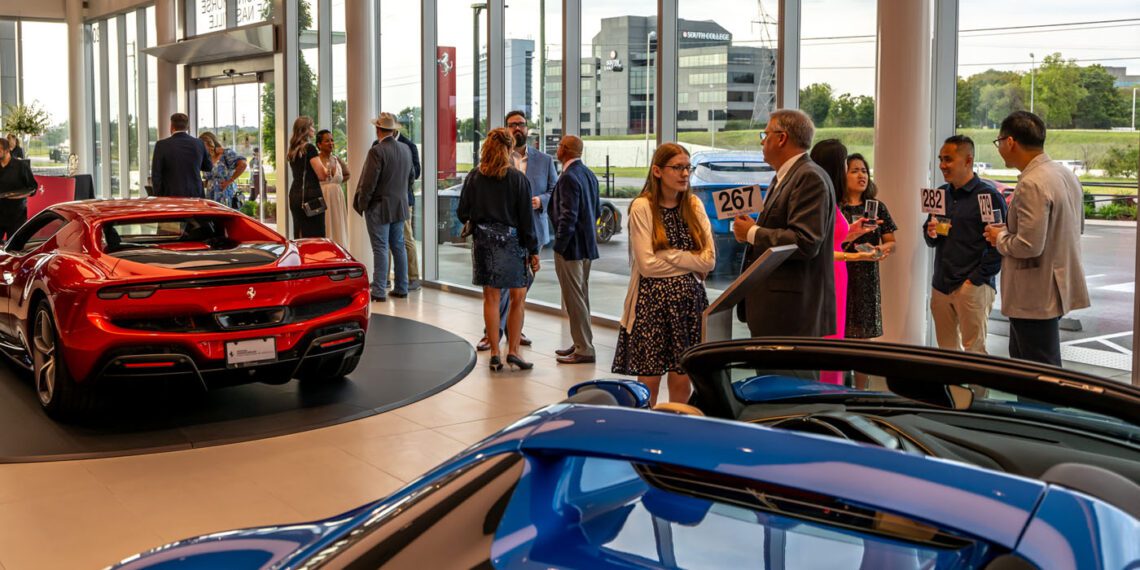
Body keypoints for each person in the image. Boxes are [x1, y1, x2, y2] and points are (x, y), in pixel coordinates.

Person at [984, 111, 1089, 366]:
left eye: (999, 142)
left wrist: (999, 237)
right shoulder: (1065, 174)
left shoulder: (1032, 182)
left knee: (1035, 373)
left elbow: (1028, 246)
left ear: (1010, 142)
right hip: (1056, 286)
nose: (1000, 148)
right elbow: (1079, 227)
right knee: (1042, 366)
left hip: (1033, 294)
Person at [614, 143, 715, 406]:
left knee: (682, 377)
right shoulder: (642, 207)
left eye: (687, 167)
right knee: (649, 383)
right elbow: (647, 265)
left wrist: (668, 254)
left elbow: (709, 261)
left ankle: (677, 428)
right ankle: (646, 432)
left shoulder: (693, 204)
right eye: (678, 167)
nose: (684, 174)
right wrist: (689, 261)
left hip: (689, 304)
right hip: (651, 305)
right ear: (658, 171)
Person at [732, 109, 835, 338]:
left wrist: (753, 233)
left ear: (781, 138)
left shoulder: (809, 177)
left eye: (765, 134)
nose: (762, 141)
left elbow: (805, 241)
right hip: (776, 313)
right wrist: (751, 230)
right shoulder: (784, 176)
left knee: (788, 375)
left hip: (791, 317)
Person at [457, 128, 539, 371]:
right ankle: (513, 351)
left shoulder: (474, 177)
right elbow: (527, 221)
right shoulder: (518, 179)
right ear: (509, 148)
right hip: (512, 244)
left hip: (483, 243)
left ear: (486, 148)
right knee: (518, 299)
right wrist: (533, 251)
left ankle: (494, 353)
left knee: (490, 298)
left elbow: (462, 213)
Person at [475, 110, 556, 352]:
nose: (517, 128)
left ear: (527, 128)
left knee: (520, 288)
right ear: (506, 130)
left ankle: (512, 330)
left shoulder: (545, 160)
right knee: (499, 288)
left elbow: (554, 190)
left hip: (533, 231)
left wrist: (540, 200)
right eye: (512, 125)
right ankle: (493, 334)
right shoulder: (495, 160)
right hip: (501, 235)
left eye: (521, 124)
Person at [925, 135, 1006, 354]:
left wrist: (975, 280)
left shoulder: (988, 196)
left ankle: (978, 390)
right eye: (941, 159)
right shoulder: (940, 193)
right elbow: (931, 237)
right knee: (947, 352)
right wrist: (932, 232)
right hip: (941, 285)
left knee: (975, 352)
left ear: (968, 160)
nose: (942, 165)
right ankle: (953, 390)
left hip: (972, 287)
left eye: (948, 159)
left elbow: (999, 244)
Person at [549, 135, 601, 365]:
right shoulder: (588, 174)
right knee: (581, 296)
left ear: (565, 150)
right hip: (587, 246)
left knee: (574, 299)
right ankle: (582, 341)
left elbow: (567, 215)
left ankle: (584, 349)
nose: (557, 148)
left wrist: (559, 244)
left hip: (571, 248)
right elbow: (597, 210)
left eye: (560, 145)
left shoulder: (569, 176)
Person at [355, 113, 413, 302]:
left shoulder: (377, 151)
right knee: (399, 247)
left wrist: (362, 204)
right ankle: (402, 287)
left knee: (380, 248)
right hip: (399, 206)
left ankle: (379, 290)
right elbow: (411, 177)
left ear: (378, 129)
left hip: (379, 206)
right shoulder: (406, 149)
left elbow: (368, 182)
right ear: (393, 129)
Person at [840, 153, 897, 339]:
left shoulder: (877, 207)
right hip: (841, 271)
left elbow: (892, 242)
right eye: (854, 171)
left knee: (864, 336)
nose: (861, 176)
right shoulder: (837, 208)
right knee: (840, 332)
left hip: (867, 276)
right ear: (842, 175)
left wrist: (881, 249)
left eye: (864, 171)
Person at [382, 116, 423, 291]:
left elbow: (416, 173)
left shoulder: (409, 145)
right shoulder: (377, 145)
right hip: (384, 201)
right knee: (385, 240)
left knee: (405, 238)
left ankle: (413, 277)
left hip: (403, 199)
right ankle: (385, 279)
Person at [286, 116, 330, 238]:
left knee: (300, 234)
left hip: (295, 195)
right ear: (305, 129)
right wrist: (327, 169)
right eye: (312, 126)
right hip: (311, 197)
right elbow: (321, 175)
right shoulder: (309, 148)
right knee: (315, 236)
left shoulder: (292, 150)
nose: (314, 129)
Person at [151, 113, 212, 198]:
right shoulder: (199, 143)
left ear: (172, 127)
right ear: (187, 127)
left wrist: (158, 196)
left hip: (170, 195)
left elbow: (156, 175)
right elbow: (208, 167)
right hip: (195, 194)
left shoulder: (161, 145)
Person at [316, 129, 350, 248]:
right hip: (323, 197)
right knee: (325, 225)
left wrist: (336, 184)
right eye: (327, 141)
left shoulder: (337, 159)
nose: (331, 143)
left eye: (332, 140)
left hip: (337, 198)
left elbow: (347, 174)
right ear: (319, 144)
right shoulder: (315, 160)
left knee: (338, 225)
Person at [0, 137, 37, 240]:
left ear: (7, 150)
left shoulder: (21, 166)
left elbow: (33, 187)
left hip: (16, 216)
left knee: (14, 250)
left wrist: (16, 195)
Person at [198, 132, 247, 208]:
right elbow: (208, 179)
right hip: (210, 196)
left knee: (226, 218)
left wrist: (230, 181)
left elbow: (243, 165)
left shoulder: (225, 153)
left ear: (209, 142)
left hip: (226, 195)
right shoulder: (206, 158)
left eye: (202, 145)